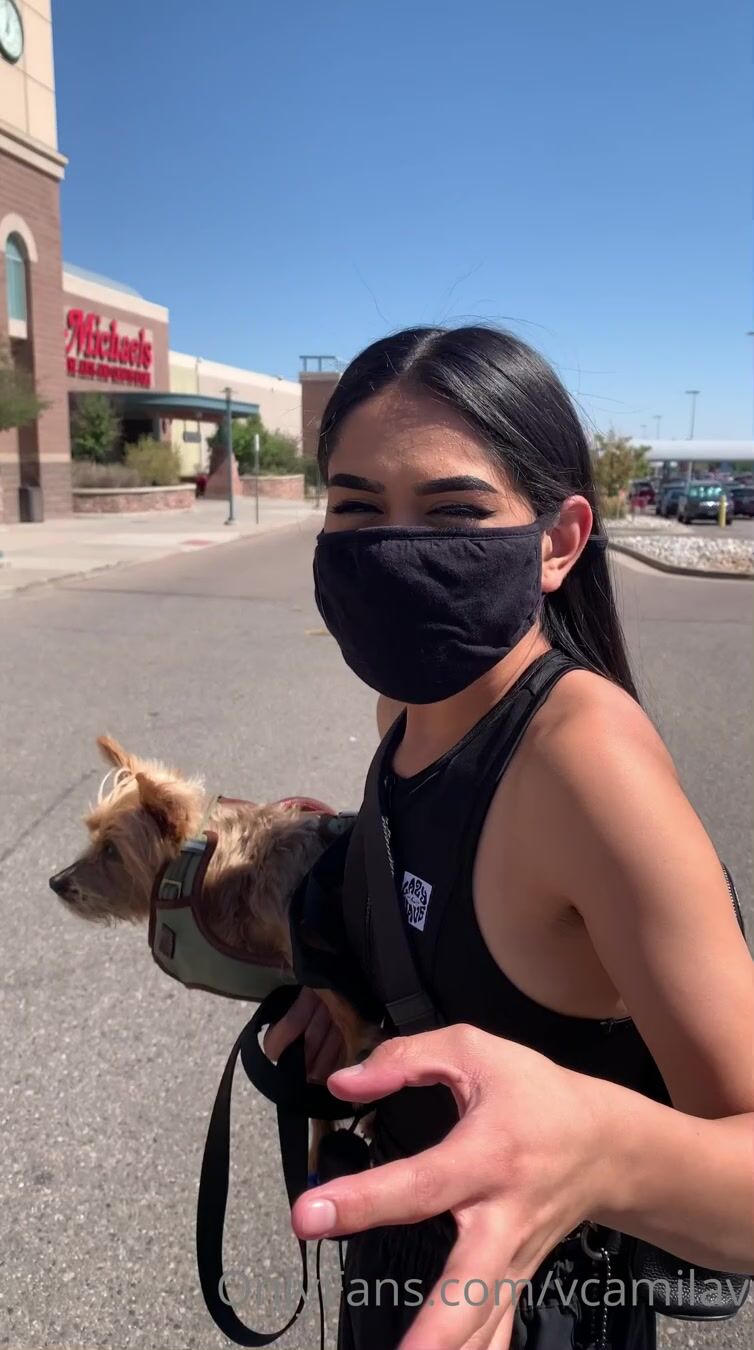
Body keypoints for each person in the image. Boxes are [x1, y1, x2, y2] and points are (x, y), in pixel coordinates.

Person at [263, 324, 753, 1350]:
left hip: (545, 1304)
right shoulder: (404, 705)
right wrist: (346, 987)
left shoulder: (585, 765)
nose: (393, 549)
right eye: (356, 508)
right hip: (398, 1258)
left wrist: (597, 1153)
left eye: (454, 512)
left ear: (559, 541)